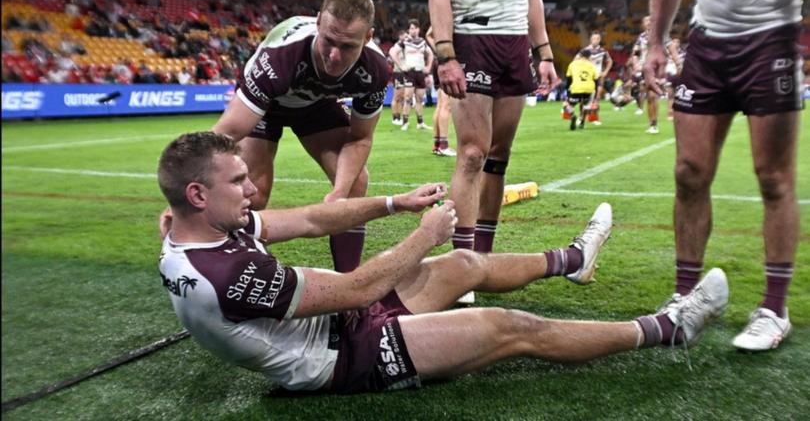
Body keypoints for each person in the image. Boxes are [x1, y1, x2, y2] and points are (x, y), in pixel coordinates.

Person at [157, 131, 729, 394]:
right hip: (339, 359)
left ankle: (572, 260)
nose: (254, 189)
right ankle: (667, 328)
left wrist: (392, 203)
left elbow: (307, 220)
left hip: (338, 325)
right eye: (238, 182)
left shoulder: (198, 228)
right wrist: (422, 233)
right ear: (200, 197)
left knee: (465, 266)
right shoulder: (229, 274)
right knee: (509, 328)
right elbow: (357, 291)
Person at [162, 0, 390, 274]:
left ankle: (350, 286)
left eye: (347, 47)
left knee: (355, 183)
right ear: (318, 21)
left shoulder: (375, 69)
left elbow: (360, 138)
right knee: (253, 192)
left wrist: (339, 195)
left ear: (368, 38)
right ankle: (235, 269)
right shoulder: (280, 57)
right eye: (329, 41)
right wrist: (180, 199)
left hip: (315, 104)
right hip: (267, 104)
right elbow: (226, 134)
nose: (334, 56)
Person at [644, 0, 802, 351]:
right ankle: (685, 295)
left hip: (771, 40)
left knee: (773, 178)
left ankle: (774, 308)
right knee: (689, 172)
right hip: (707, 44)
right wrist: (655, 42)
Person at [429, 0, 559, 303]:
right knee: (472, 154)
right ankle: (461, 265)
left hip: (514, 45)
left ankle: (481, 259)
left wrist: (543, 51)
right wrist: (446, 54)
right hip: (471, 40)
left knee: (498, 156)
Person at [631, 15, 679, 134]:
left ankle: (654, 123)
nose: (648, 22)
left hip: (657, 68)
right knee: (649, 97)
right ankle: (651, 122)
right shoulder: (641, 37)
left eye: (650, 20)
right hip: (644, 68)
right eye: (646, 21)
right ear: (643, 24)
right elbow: (635, 53)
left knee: (652, 95)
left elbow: (672, 49)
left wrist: (678, 63)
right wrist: (636, 64)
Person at [388, 19, 434, 131]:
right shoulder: (405, 41)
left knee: (419, 99)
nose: (412, 30)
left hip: (420, 72)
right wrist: (401, 65)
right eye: (411, 28)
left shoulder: (422, 42)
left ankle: (420, 123)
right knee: (407, 98)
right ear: (409, 30)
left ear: (418, 29)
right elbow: (392, 52)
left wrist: (428, 66)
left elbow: (431, 54)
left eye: (414, 28)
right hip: (410, 72)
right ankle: (405, 123)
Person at [426, 26, 457, 157]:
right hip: (448, 65)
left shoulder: (442, 24)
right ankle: (443, 146)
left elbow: (428, 35)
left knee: (440, 105)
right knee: (446, 106)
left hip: (440, 62)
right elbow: (429, 35)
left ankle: (437, 144)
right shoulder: (452, 21)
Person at [563, 49, 598, 131]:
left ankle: (572, 115)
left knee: (566, 104)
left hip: (576, 88)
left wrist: (568, 91)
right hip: (589, 89)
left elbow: (568, 79)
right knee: (586, 106)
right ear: (589, 57)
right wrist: (595, 94)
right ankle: (582, 121)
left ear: (580, 56)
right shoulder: (592, 65)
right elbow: (596, 81)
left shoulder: (573, 64)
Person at [584, 31, 614, 125]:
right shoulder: (585, 50)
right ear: (590, 39)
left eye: (597, 38)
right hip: (588, 76)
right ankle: (583, 118)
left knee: (597, 98)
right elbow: (578, 60)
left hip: (598, 76)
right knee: (586, 98)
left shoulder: (603, 51)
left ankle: (595, 118)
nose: (595, 40)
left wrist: (605, 72)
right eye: (593, 38)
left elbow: (610, 61)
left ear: (599, 40)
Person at [388, 30, 408, 126]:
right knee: (396, 96)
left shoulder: (406, 46)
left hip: (405, 73)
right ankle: (395, 118)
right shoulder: (396, 47)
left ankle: (398, 117)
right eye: (405, 36)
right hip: (398, 73)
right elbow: (391, 55)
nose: (406, 38)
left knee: (402, 97)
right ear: (400, 36)